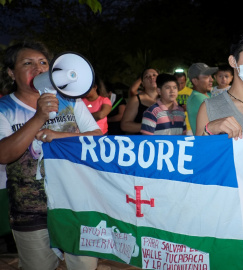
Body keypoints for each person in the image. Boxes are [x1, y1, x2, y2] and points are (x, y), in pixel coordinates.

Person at [0, 40, 102, 270]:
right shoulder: (4, 108)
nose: (38, 68)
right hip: (31, 210)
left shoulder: (71, 100)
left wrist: (56, 135)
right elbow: (4, 154)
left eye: (43, 62)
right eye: (28, 63)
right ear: (11, 72)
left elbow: (96, 135)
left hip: (77, 202)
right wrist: (39, 117)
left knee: (85, 265)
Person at [121, 68, 158, 134]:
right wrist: (150, 126)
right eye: (147, 76)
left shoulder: (167, 99)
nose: (152, 77)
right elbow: (125, 126)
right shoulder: (136, 100)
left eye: (154, 75)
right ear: (142, 83)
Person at [186, 62, 217, 135]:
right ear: (195, 81)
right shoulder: (197, 98)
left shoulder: (209, 95)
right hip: (206, 143)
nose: (211, 80)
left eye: (211, 76)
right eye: (206, 77)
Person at [175, 71, 194, 135]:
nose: (180, 86)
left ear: (185, 81)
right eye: (177, 83)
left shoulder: (191, 92)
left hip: (189, 127)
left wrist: (189, 107)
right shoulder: (170, 92)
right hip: (175, 127)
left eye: (182, 83)